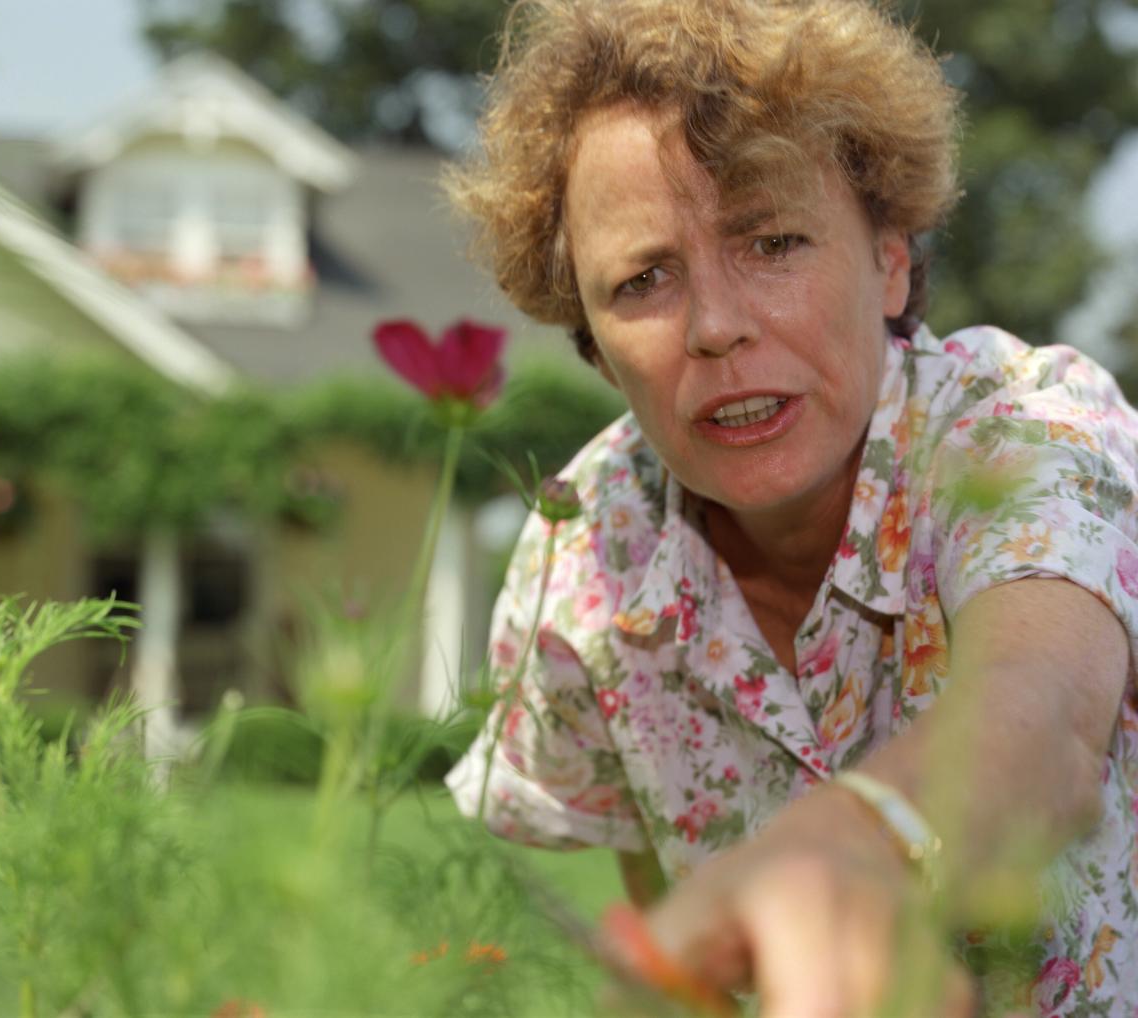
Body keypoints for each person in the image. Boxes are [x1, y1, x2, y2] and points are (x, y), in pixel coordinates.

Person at [442, 0, 1138, 1015]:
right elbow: (677, 947)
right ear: (589, 341)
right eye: (642, 280)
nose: (716, 326)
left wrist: (853, 839)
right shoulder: (580, 553)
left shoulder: (1022, 424)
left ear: (888, 258)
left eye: (769, 241)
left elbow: (1040, 714)